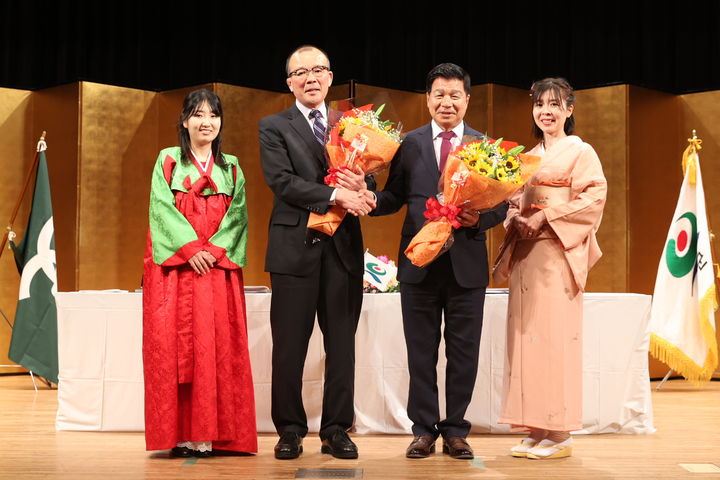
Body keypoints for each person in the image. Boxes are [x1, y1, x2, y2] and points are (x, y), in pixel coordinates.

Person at [347, 63, 507, 459]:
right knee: (420, 353)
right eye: (439, 94)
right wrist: (369, 198)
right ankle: (423, 430)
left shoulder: (486, 147)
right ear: (428, 99)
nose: (447, 102)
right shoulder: (409, 144)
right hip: (418, 265)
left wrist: (480, 218)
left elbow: (500, 206)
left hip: (466, 266)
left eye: (455, 95)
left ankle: (455, 430)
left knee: (464, 353)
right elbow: (395, 196)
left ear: (467, 99)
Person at [258, 45, 376, 460]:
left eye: (318, 70)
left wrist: (365, 190)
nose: (311, 78)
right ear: (289, 82)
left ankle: (336, 429)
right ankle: (290, 429)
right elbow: (282, 181)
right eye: (301, 72)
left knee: (341, 345)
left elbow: (368, 180)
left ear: (330, 78)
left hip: (343, 250)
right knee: (289, 346)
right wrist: (336, 192)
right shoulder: (273, 125)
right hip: (294, 249)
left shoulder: (354, 124)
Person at [492, 78, 607, 459]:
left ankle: (560, 434)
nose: (546, 111)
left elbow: (594, 195)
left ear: (569, 110)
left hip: (556, 253)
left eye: (555, 104)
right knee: (527, 342)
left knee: (554, 341)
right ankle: (536, 427)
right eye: (540, 104)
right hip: (526, 254)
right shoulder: (527, 155)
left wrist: (545, 218)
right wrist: (515, 220)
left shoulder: (581, 151)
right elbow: (512, 202)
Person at [142, 89, 257, 457]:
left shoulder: (232, 167)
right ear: (185, 120)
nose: (206, 122)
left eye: (213, 115)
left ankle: (215, 434)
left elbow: (238, 215)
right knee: (174, 349)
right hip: (177, 274)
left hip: (217, 273)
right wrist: (191, 250)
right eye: (197, 114)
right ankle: (179, 436)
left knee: (219, 349)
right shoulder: (169, 160)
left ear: (221, 122)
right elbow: (160, 209)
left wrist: (211, 252)